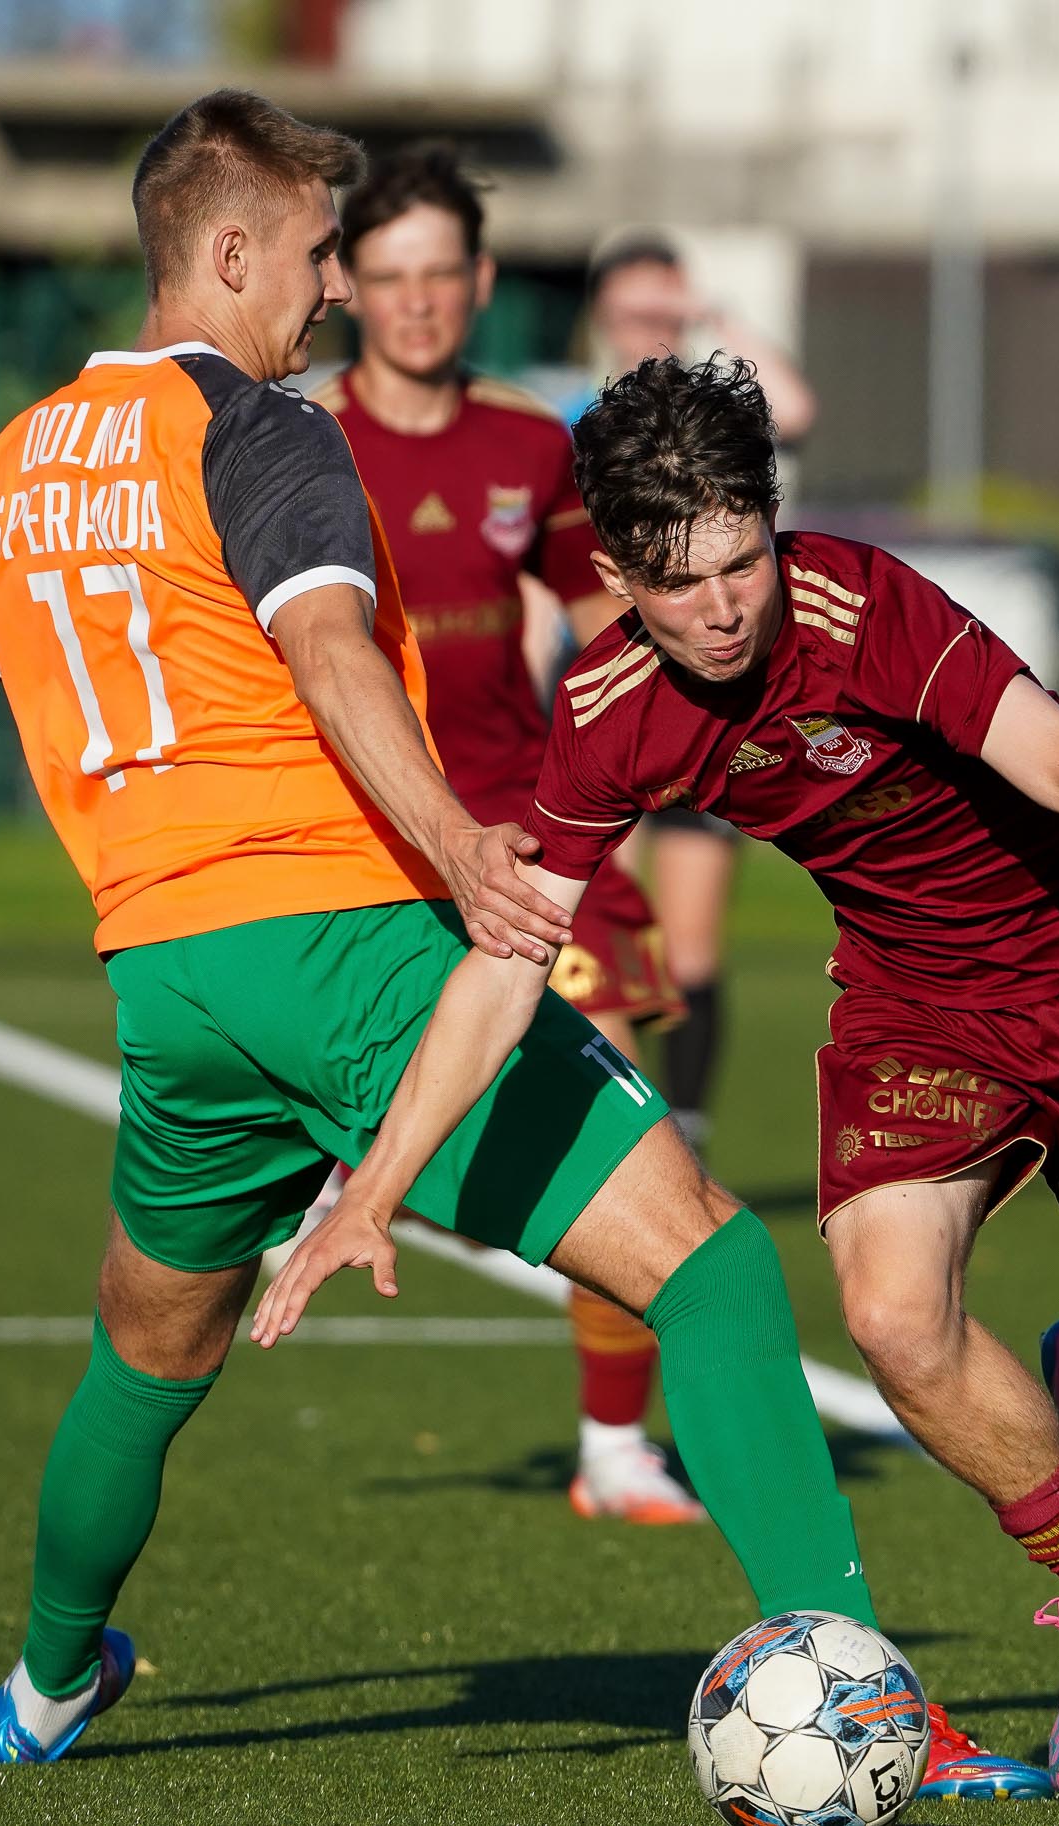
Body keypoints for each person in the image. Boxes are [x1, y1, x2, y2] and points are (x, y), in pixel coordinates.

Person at [0, 93, 887, 1772]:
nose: (327, 288)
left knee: (148, 1345)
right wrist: (466, 849)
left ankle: (37, 1691)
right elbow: (324, 655)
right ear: (226, 250)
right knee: (712, 1261)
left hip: (166, 986)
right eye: (318, 251)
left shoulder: (13, 465)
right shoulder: (262, 430)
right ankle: (864, 1683)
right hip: (345, 949)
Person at [264, 355, 1059, 1796]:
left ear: (774, 531)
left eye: (741, 560)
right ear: (617, 578)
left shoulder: (860, 607)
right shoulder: (610, 705)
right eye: (679, 578)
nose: (721, 606)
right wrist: (371, 1193)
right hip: (917, 996)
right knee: (893, 1317)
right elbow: (504, 964)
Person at [303, 143, 700, 1526]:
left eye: (441, 277)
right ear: (349, 285)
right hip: (360, 847)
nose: (416, 304)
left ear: (478, 282)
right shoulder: (297, 439)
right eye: (389, 276)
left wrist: (629, 775)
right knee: (282, 1160)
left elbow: (602, 622)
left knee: (629, 1127)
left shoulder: (535, 442)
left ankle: (613, 1447)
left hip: (533, 840)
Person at [581, 236, 819, 1151]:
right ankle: (622, 1142)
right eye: (635, 311)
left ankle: (687, 1133)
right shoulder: (573, 414)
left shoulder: (717, 419)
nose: (651, 327)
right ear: (602, 312)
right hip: (616, 711)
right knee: (607, 945)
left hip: (709, 709)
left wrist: (715, 323)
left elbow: (795, 409)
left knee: (688, 949)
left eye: (664, 308)